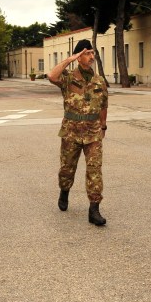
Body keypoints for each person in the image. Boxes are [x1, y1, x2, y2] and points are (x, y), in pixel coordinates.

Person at [48, 39, 109, 226]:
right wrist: (69, 59)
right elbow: (51, 76)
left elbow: (104, 105)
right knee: (67, 169)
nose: (91, 57)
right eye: (87, 53)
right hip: (71, 132)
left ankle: (94, 209)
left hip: (93, 132)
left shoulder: (99, 81)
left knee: (95, 170)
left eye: (92, 53)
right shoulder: (68, 78)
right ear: (78, 57)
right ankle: (64, 191)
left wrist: (103, 126)